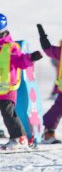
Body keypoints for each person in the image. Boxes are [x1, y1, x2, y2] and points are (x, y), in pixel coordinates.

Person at [0, 14, 43, 150]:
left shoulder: (10, 48)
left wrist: (30, 58)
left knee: (8, 113)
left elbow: (20, 60)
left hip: (7, 89)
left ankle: (19, 138)